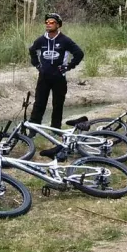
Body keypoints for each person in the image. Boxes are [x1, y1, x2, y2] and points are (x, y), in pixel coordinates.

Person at [28, 13, 84, 156]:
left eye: (52, 22)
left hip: (59, 78)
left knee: (58, 104)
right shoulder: (41, 40)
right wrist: (37, 65)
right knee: (39, 104)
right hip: (44, 78)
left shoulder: (64, 40)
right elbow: (32, 50)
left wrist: (69, 66)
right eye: (46, 22)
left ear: (58, 25)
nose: (48, 24)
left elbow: (79, 53)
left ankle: (55, 129)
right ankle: (33, 131)